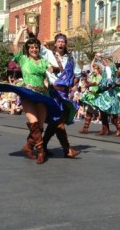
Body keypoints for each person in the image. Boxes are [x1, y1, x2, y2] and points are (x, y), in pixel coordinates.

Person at [0, 28, 61, 164]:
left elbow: (58, 68)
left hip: (42, 94)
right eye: (31, 47)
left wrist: (52, 69)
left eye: (36, 47)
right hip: (28, 93)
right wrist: (20, 31)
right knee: (33, 123)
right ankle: (40, 152)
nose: (34, 49)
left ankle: (28, 147)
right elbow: (15, 45)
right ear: (27, 49)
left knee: (39, 127)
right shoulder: (23, 59)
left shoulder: (44, 61)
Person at [36, 30, 81, 158]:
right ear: (55, 44)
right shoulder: (49, 54)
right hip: (54, 92)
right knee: (58, 121)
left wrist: (74, 87)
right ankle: (67, 150)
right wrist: (30, 32)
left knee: (55, 122)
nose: (61, 43)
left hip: (65, 94)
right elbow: (38, 46)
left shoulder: (71, 58)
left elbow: (77, 74)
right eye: (59, 41)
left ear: (65, 44)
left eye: (63, 41)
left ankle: (42, 145)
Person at [92, 53, 120, 137]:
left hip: (109, 92)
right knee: (103, 111)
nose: (102, 62)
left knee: (112, 111)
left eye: (103, 61)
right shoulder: (109, 67)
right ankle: (105, 129)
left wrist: (109, 85)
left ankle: (119, 129)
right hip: (106, 92)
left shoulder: (108, 68)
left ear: (106, 61)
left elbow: (109, 79)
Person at [79, 58, 103, 134]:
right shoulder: (93, 75)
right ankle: (85, 128)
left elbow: (96, 83)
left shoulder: (101, 77)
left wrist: (88, 85)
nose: (94, 70)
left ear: (99, 70)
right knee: (89, 111)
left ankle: (115, 127)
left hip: (99, 96)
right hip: (92, 95)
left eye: (96, 69)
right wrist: (95, 58)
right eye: (94, 69)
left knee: (104, 112)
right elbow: (92, 65)